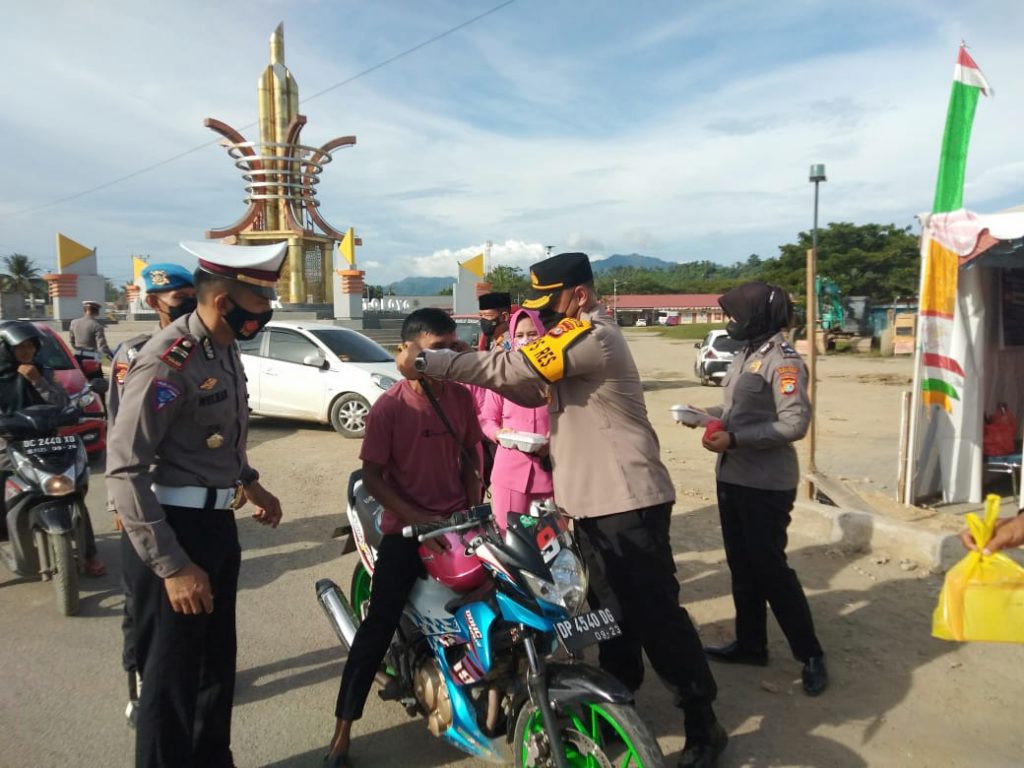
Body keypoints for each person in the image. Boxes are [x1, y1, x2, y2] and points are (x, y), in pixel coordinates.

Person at [396, 252, 726, 768]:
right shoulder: (570, 337)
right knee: (608, 615)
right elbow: (524, 385)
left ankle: (703, 722)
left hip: (627, 501)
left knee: (656, 616)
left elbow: (514, 367)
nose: (544, 313)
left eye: (551, 303)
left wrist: (428, 361)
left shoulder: (592, 335)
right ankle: (618, 707)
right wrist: (460, 357)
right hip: (593, 504)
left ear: (580, 295)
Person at [106, 240, 285, 768]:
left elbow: (219, 437)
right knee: (170, 683)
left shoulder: (222, 347)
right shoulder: (166, 360)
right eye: (260, 302)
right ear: (224, 301)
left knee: (214, 668)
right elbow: (125, 469)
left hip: (215, 524)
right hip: (172, 530)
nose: (267, 312)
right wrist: (173, 565)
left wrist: (250, 482)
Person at [325, 307, 482, 767]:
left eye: (452, 348)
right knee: (378, 626)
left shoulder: (459, 396)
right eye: (436, 349)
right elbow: (373, 477)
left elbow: (471, 454)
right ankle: (341, 732)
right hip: (407, 531)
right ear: (408, 351)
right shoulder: (389, 407)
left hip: (456, 526)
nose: (446, 358)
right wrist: (420, 522)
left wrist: (471, 508)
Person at [694, 282, 828, 697]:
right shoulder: (746, 354)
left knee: (770, 570)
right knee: (741, 565)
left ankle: (810, 654)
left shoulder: (783, 362)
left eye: (735, 315)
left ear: (758, 316)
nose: (730, 322)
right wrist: (704, 415)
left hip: (766, 484)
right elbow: (735, 409)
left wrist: (735, 439)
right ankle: (751, 644)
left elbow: (794, 424)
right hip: (733, 477)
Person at [106, 263, 196, 726]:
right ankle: (139, 684)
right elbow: (118, 430)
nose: (187, 301)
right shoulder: (134, 354)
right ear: (153, 302)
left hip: (189, 496)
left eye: (190, 293)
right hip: (145, 494)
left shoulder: (203, 348)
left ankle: (189, 677)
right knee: (140, 603)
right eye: (178, 296)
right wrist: (117, 503)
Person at [0, 321, 106, 576]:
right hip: (9, 444)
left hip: (48, 441)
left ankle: (89, 554)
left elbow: (61, 402)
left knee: (72, 490)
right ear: (6, 349)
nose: (27, 352)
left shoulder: (44, 373)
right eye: (20, 347)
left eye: (31, 347)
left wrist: (37, 381)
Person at [477, 307, 553, 529]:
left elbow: (574, 420)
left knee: (550, 540)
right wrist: (498, 433)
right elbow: (486, 419)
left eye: (532, 334)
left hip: (551, 475)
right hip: (509, 474)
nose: (526, 340)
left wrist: (555, 440)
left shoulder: (559, 379)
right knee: (510, 537)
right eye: (519, 335)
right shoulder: (503, 378)